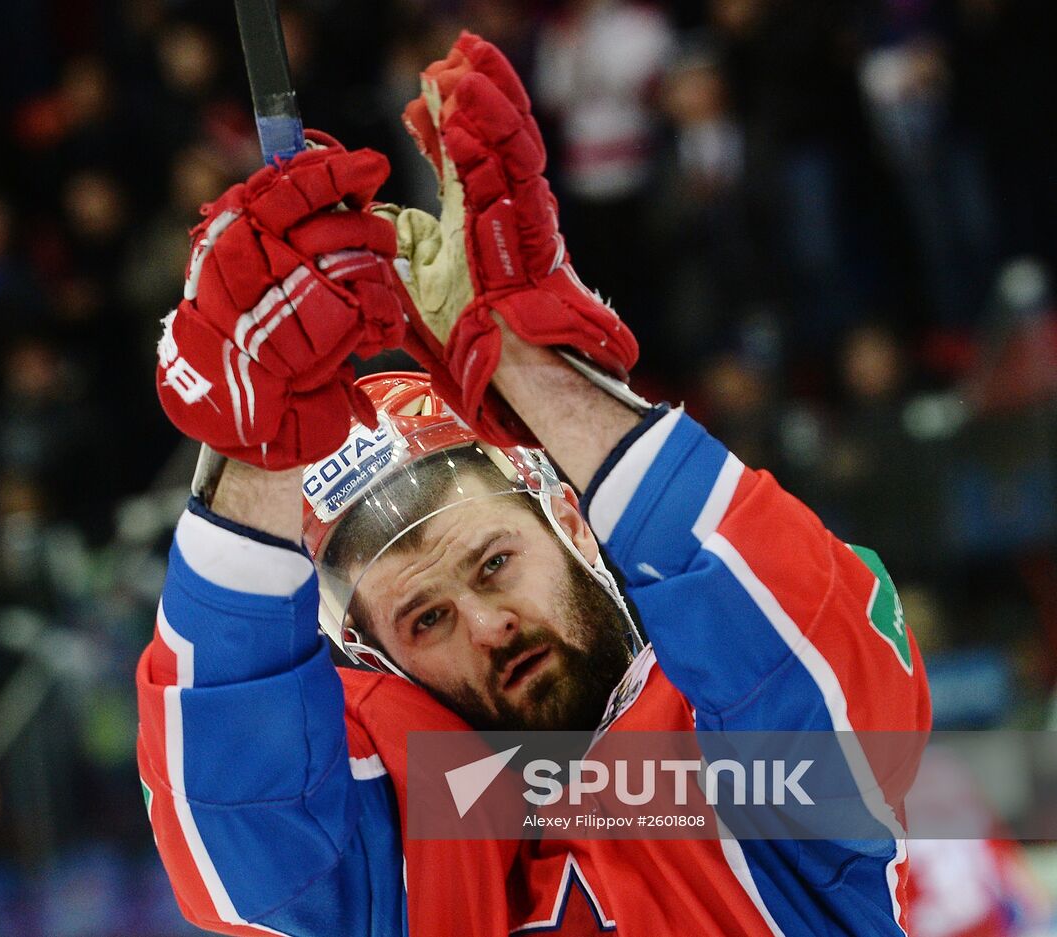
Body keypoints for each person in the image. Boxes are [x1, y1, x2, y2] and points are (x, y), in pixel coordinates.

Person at [138, 33, 930, 936]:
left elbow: (816, 673)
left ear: (570, 518)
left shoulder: (746, 761)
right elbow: (244, 857)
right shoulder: (404, 860)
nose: (488, 626)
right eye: (425, 619)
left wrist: (531, 368)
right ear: (378, 659)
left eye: (493, 562)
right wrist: (261, 447)